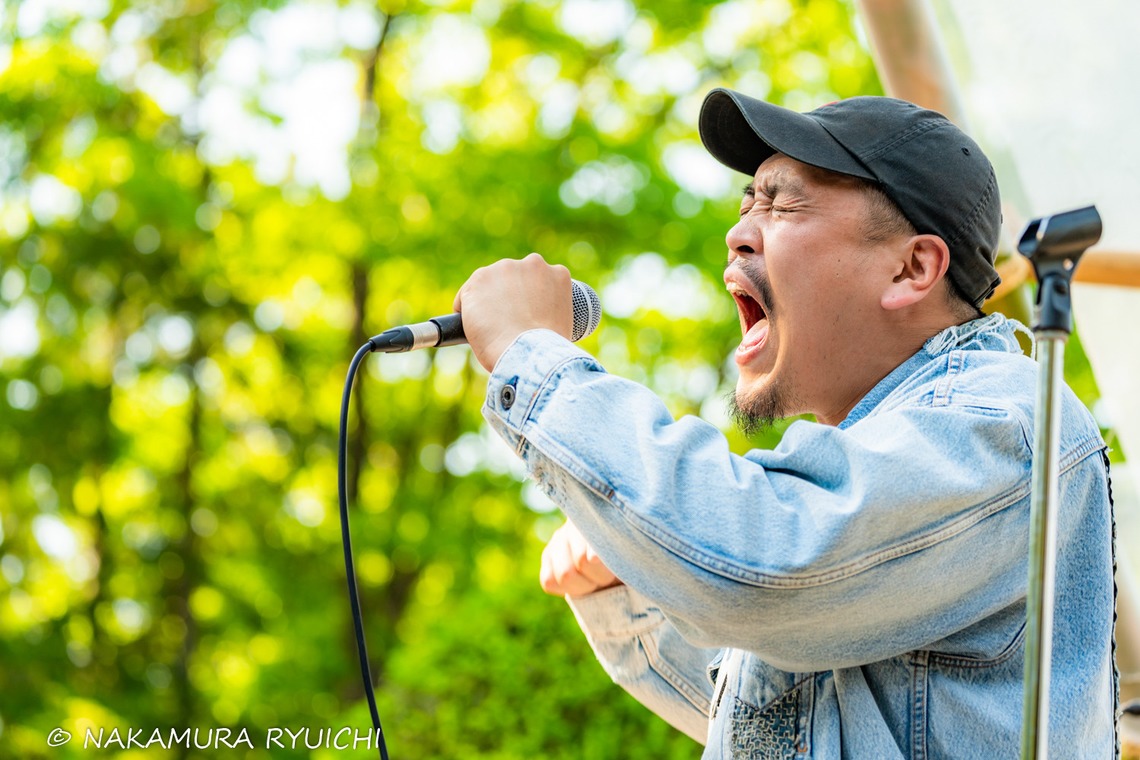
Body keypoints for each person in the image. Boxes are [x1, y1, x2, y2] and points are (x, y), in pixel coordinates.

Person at [453, 89, 1117, 758]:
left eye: (779, 203)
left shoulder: (1006, 418)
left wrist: (531, 357)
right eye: (747, 203)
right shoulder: (878, 476)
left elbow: (766, 571)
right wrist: (630, 596)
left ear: (912, 267)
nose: (738, 231)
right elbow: (783, 720)